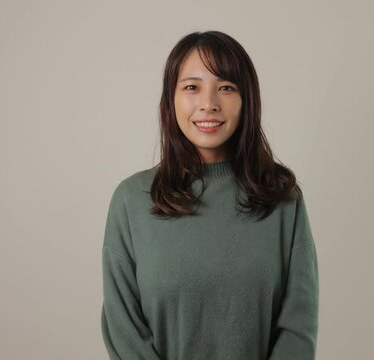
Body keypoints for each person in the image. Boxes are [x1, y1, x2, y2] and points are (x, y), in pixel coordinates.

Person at [100, 30, 319, 360]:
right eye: (191, 87)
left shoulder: (283, 199)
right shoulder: (132, 200)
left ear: (247, 100)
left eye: (226, 87)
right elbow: (123, 329)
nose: (209, 104)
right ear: (170, 99)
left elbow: (298, 328)